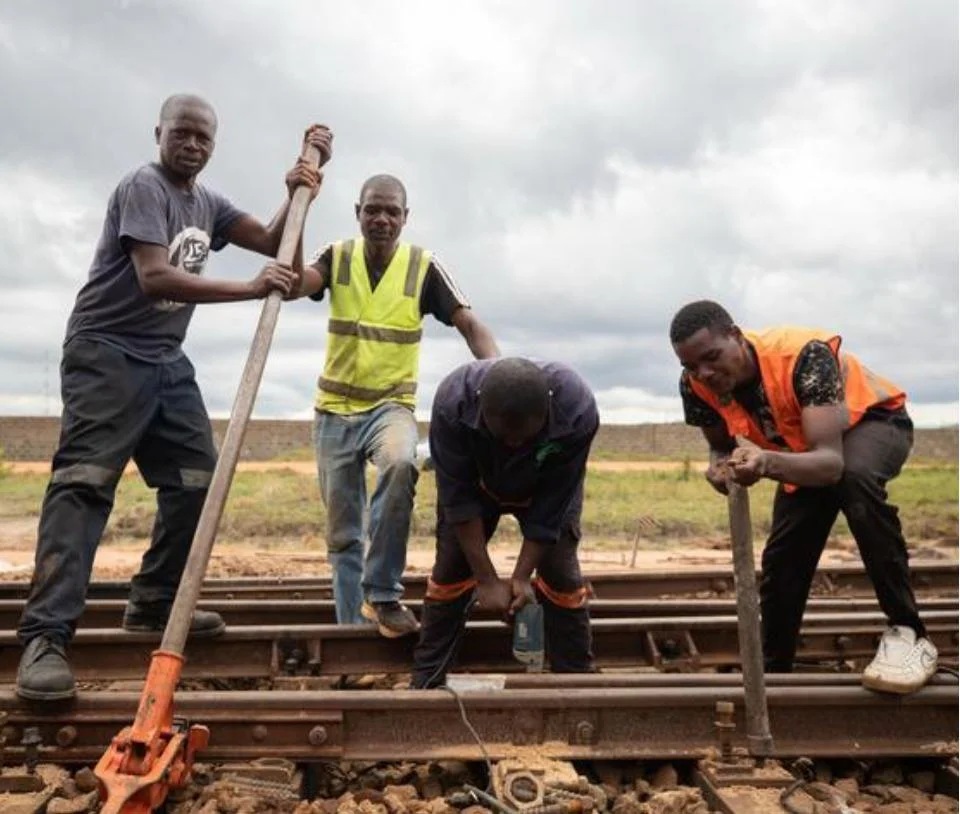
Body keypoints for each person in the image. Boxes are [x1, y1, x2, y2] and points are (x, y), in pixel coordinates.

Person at [16, 94, 332, 701]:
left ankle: (156, 603)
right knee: (83, 487)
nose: (192, 145)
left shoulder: (207, 202)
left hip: (165, 360)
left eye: (203, 139)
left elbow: (274, 245)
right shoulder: (145, 185)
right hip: (107, 351)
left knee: (195, 482)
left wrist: (300, 194)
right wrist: (246, 290)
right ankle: (46, 637)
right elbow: (154, 276)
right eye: (182, 134)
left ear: (213, 146)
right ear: (160, 133)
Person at [669, 300, 937, 694]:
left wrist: (764, 463)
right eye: (691, 366)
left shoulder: (804, 356)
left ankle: (909, 633)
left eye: (711, 358)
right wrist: (721, 465)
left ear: (736, 336)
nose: (703, 373)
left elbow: (830, 465)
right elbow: (720, 444)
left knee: (855, 480)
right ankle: (774, 673)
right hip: (805, 450)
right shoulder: (695, 385)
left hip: (873, 423)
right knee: (784, 557)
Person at [272, 174, 499, 639]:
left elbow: (469, 323)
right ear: (358, 212)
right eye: (372, 209)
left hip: (390, 408)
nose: (381, 219)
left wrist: (498, 374)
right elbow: (295, 284)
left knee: (400, 465)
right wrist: (302, 206)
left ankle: (382, 593)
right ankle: (350, 636)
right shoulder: (337, 256)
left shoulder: (423, 267)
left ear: (405, 217)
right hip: (334, 411)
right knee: (343, 535)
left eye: (392, 211)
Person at [410, 357, 600, 688]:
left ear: (547, 415)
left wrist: (521, 577)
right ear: (482, 411)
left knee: (561, 572)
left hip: (545, 487)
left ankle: (576, 683)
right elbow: (458, 500)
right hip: (477, 486)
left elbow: (553, 506)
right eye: (502, 436)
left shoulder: (577, 408)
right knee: (452, 569)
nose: (512, 445)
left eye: (523, 437)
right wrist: (485, 579)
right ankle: (427, 681)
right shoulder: (452, 404)